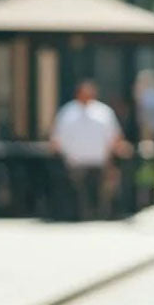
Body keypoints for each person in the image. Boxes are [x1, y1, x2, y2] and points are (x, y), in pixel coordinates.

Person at [49, 79, 124, 220]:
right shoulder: (67, 112)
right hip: (74, 162)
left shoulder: (103, 112)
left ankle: (97, 214)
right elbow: (56, 137)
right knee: (77, 193)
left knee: (96, 191)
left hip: (98, 161)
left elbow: (114, 136)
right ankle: (77, 215)